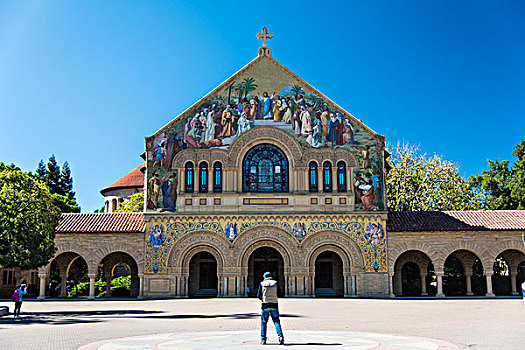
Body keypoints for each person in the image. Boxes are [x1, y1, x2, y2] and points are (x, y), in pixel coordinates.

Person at [257, 272, 284, 345]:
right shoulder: (275, 283)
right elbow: (280, 294)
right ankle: (280, 337)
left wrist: (264, 299)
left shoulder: (262, 283)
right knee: (276, 322)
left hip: (265, 305)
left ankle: (263, 340)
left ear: (264, 277)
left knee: (263, 322)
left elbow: (258, 295)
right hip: (274, 304)